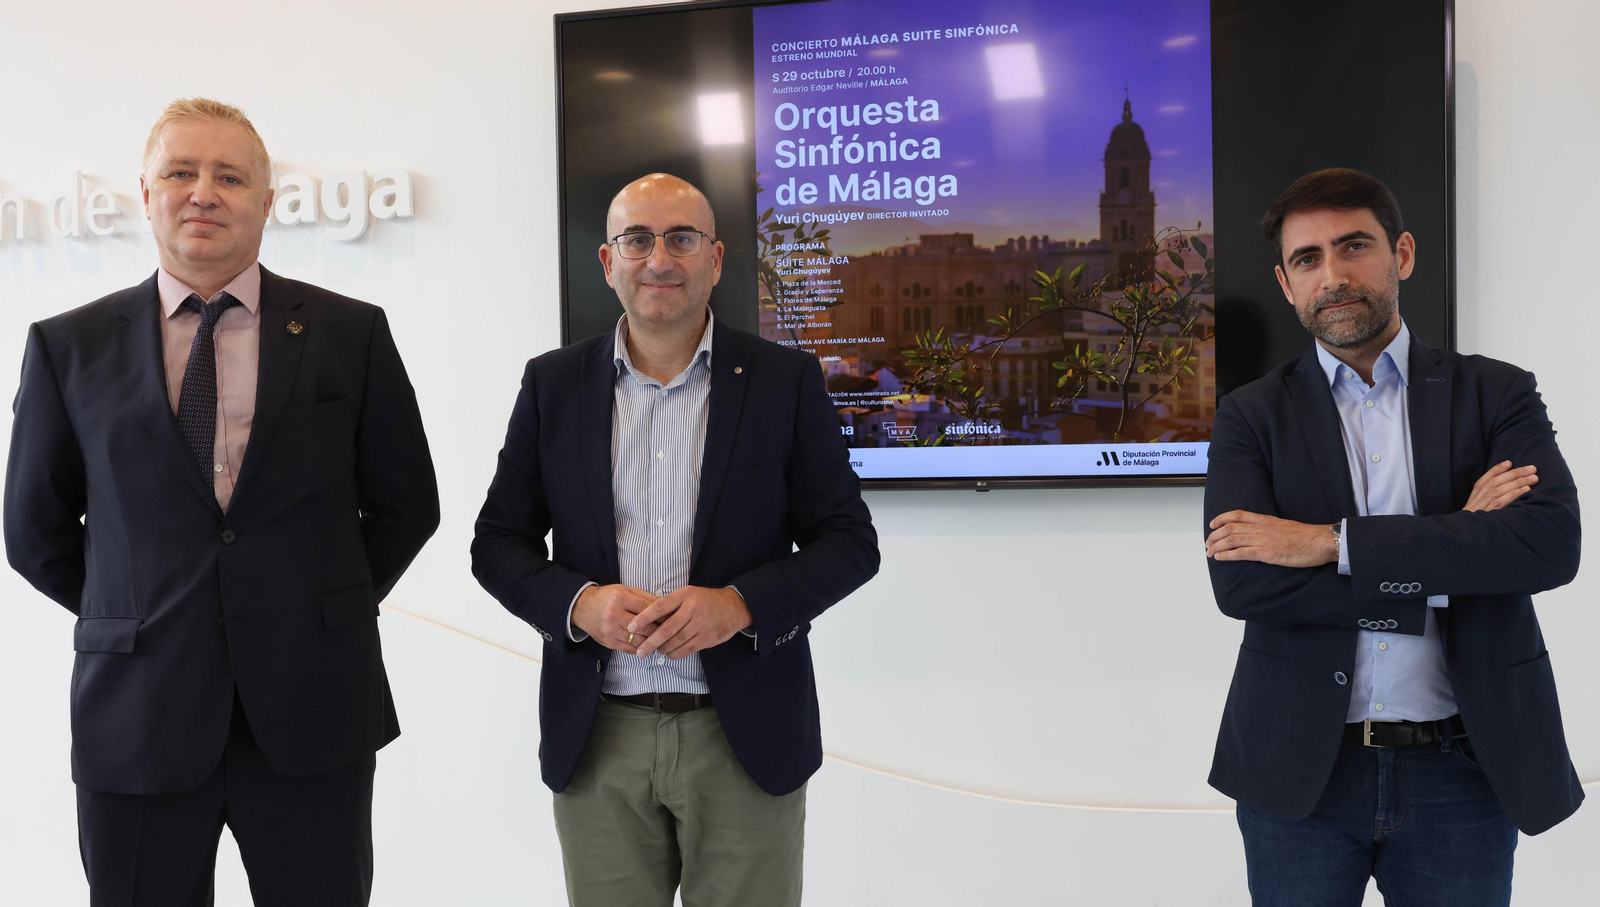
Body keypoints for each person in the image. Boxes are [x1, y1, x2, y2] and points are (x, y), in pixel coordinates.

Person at [3, 98, 439, 906]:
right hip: (138, 717)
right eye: (181, 171)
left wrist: (308, 602)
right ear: (146, 193)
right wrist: (141, 608)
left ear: (267, 203)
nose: (204, 192)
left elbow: (408, 503)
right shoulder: (66, 347)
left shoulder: (352, 333)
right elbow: (34, 531)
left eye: (230, 176)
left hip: (312, 709)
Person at [471, 173, 878, 907]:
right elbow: (497, 543)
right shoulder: (551, 385)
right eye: (638, 238)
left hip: (744, 734)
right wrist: (580, 604)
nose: (659, 257)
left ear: (716, 259)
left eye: (681, 238)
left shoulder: (785, 381)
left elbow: (850, 540)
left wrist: (739, 605)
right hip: (599, 736)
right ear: (608, 262)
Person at [1203, 167, 1582, 906]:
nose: (1335, 274)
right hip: (1301, 773)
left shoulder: (1495, 392)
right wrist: (1455, 548)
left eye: (1354, 246)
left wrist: (1327, 542)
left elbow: (1548, 545)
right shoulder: (1250, 415)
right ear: (1286, 283)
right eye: (1309, 259)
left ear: (1401, 254)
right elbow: (1242, 580)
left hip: (1465, 770)